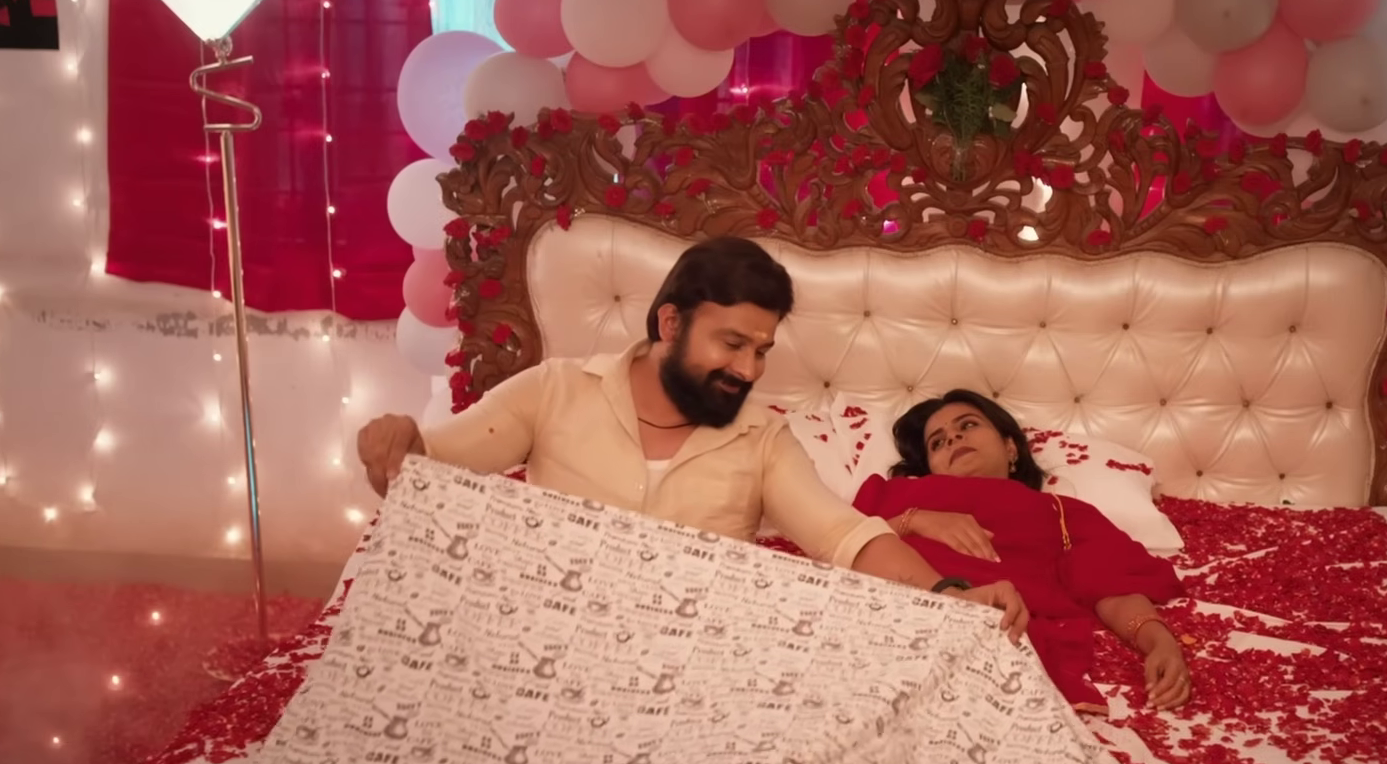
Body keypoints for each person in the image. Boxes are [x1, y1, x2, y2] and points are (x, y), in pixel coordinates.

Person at [355, 238, 1030, 638]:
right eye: (732, 344)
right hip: (548, 645)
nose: (749, 370)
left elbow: (842, 535)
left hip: (692, 664)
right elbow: (431, 465)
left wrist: (950, 595)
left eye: (761, 350)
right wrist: (397, 442)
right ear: (671, 324)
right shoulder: (555, 389)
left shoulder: (761, 438)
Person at [853, 390, 1190, 714]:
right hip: (885, 607)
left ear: (1010, 447)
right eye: (937, 443)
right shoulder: (899, 493)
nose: (952, 438)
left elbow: (1108, 582)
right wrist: (913, 521)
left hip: (994, 625)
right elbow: (839, 544)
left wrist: (1159, 642)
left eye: (968, 425)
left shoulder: (1059, 511)